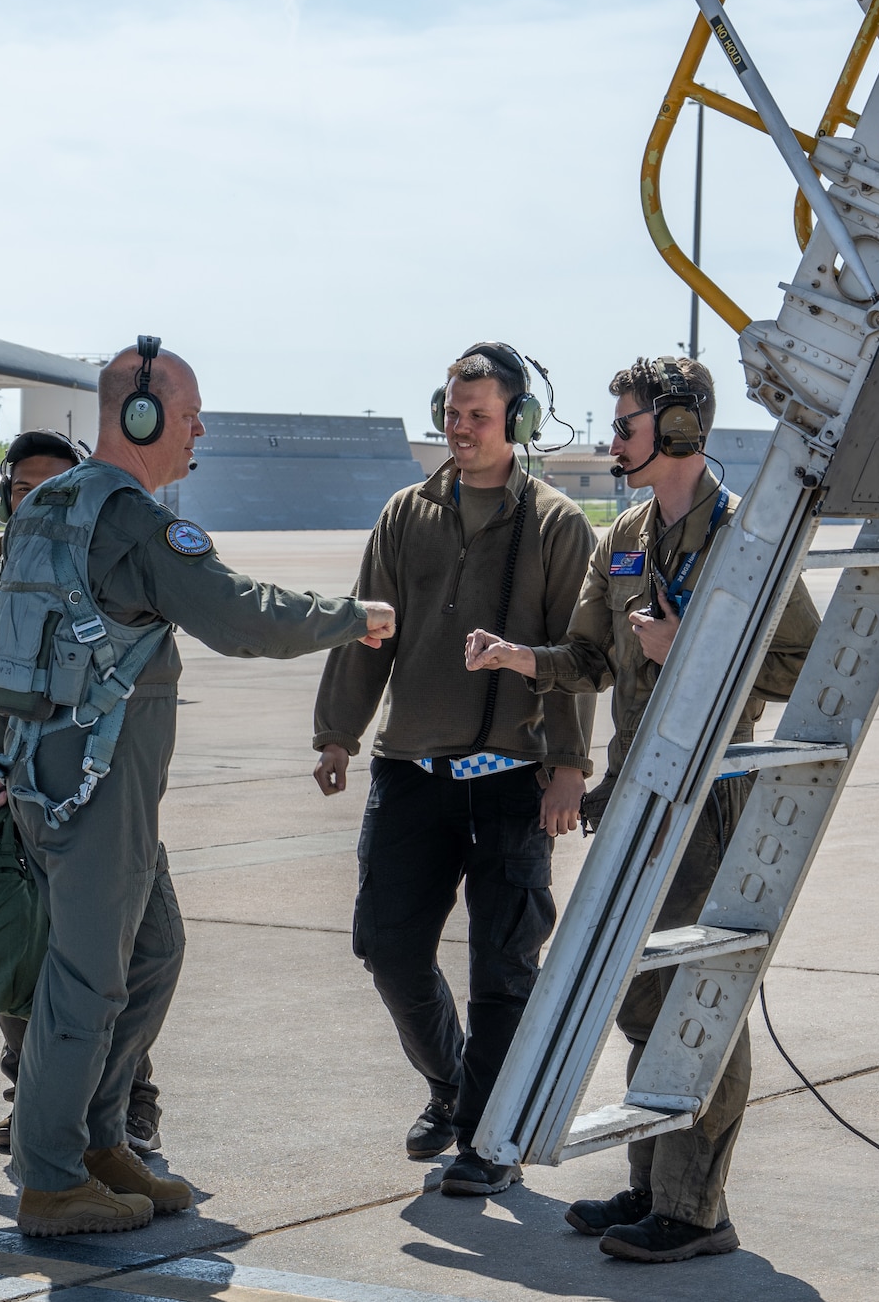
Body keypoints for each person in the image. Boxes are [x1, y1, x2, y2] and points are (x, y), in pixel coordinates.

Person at [0, 340, 396, 1237]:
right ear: (141, 416)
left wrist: (9, 765)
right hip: (95, 787)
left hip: (51, 774)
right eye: (189, 411)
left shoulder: (48, 503)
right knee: (89, 976)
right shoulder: (130, 520)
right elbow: (239, 615)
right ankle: (51, 1175)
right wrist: (350, 618)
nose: (200, 427)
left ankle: (97, 1139)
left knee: (154, 949)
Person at [464, 356, 818, 1263]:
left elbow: (798, 665)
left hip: (711, 796)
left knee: (703, 994)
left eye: (626, 425)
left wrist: (692, 642)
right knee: (641, 992)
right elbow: (591, 657)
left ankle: (696, 1209)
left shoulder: (747, 536)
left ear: (679, 431)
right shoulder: (621, 534)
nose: (614, 438)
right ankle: (650, 1181)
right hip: (637, 793)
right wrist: (518, 657)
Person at [312, 341, 595, 1197]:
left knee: (503, 968)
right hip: (414, 770)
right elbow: (371, 631)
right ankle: (451, 1083)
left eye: (476, 414)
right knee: (388, 944)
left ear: (519, 420)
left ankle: (489, 1138)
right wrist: (338, 733)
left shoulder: (554, 524)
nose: (458, 427)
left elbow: (578, 658)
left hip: (514, 779)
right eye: (450, 411)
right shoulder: (406, 513)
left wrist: (569, 766)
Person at [0, 429, 166, 1159]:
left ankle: (127, 1102)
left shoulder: (107, 579)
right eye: (24, 488)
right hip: (14, 810)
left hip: (95, 806)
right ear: (6, 497)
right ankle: (30, 1098)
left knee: (120, 964)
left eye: (54, 485)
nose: (38, 500)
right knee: (22, 960)